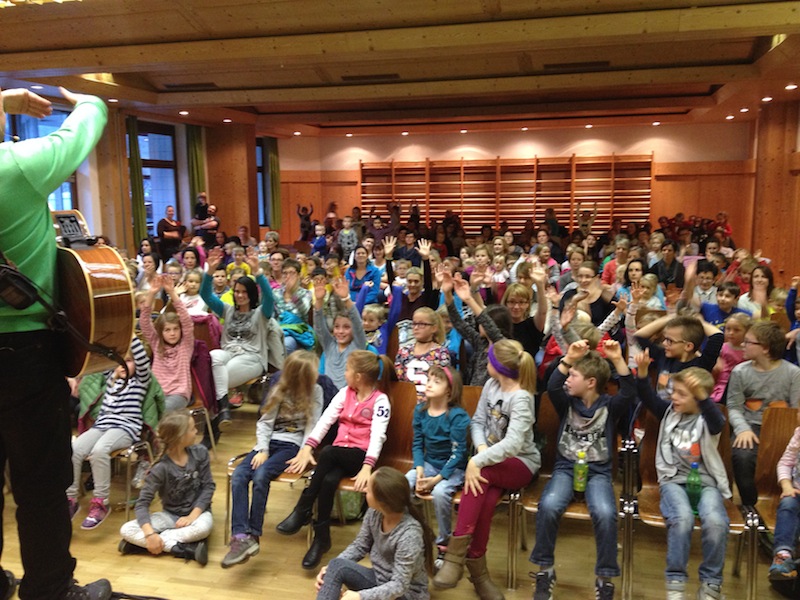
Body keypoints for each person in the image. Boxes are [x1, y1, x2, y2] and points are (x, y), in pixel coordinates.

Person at [0, 86, 112, 599]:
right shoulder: (17, 166)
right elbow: (84, 127)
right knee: (41, 482)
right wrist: (88, 100)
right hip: (24, 353)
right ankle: (49, 589)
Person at [434, 340, 540, 599]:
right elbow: (478, 422)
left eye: (490, 358)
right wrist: (481, 450)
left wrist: (478, 461)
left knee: (480, 475)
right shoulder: (492, 385)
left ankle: (454, 558)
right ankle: (478, 572)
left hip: (521, 463)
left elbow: (513, 445)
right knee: (486, 498)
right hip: (491, 461)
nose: (485, 360)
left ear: (499, 366)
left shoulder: (522, 398)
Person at [530, 339, 635, 600]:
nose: (568, 379)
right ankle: (545, 571)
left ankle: (604, 579)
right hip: (566, 467)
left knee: (606, 512)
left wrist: (618, 359)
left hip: (598, 471)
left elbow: (629, 392)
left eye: (573, 375)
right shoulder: (567, 403)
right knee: (549, 505)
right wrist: (569, 359)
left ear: (591, 382)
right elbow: (552, 385)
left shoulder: (609, 406)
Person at [276, 351, 393, 570]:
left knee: (328, 452)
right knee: (329, 480)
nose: (344, 373)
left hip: (360, 457)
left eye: (347, 370)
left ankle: (303, 507)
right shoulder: (344, 393)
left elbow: (378, 435)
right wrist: (308, 447)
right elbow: (325, 421)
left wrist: (367, 467)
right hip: (339, 455)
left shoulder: (380, 400)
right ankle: (322, 538)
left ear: (358, 376)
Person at [635, 361, 730, 600]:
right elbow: (647, 397)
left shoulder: (709, 419)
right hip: (673, 480)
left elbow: (717, 422)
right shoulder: (669, 412)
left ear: (699, 398)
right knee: (682, 518)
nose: (674, 397)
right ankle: (676, 583)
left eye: (681, 394)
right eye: (673, 392)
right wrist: (643, 373)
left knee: (716, 522)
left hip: (706, 482)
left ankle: (711, 584)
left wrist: (703, 397)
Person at [222, 351, 323, 568]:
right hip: (268, 443)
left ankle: (254, 535)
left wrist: (305, 451)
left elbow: (312, 425)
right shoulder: (279, 389)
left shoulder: (316, 391)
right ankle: (240, 536)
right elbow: (265, 422)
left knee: (261, 476)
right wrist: (262, 449)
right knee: (239, 475)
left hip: (291, 446)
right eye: (314, 371)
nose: (318, 374)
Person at [67, 336, 151, 531]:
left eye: (128, 361)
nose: (123, 365)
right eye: (120, 361)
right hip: (101, 426)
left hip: (125, 428)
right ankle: (71, 499)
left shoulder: (140, 380)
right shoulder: (110, 379)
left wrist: (128, 334)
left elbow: (141, 358)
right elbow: (103, 354)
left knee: (99, 451)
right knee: (75, 449)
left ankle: (101, 502)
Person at [315, 467, 434, 600]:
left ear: (382, 501)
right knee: (336, 565)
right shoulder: (375, 512)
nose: (365, 490)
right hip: (379, 580)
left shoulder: (409, 535)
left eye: (369, 489)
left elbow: (399, 586)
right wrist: (329, 570)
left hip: (405, 595)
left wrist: (361, 596)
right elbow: (359, 546)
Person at [118, 411, 215, 566]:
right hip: (170, 516)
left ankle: (147, 544)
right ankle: (179, 548)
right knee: (126, 529)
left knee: (202, 529)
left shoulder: (200, 453)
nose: (196, 431)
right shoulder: (160, 468)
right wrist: (149, 533)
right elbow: (142, 503)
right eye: (192, 429)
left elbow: (208, 486)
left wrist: (192, 516)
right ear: (180, 437)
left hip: (199, 514)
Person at [199, 246, 276, 429]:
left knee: (215, 378)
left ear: (251, 294)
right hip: (229, 353)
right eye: (237, 291)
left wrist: (257, 272)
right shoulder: (227, 309)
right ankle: (223, 408)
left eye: (244, 292)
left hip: (251, 358)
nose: (239, 295)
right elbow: (205, 295)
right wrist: (210, 271)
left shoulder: (261, 313)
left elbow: (270, 298)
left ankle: (218, 415)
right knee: (214, 356)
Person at [727, 321, 800, 507]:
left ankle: (782, 501)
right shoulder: (740, 372)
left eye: (748, 342)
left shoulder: (793, 373)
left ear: (765, 348)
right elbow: (733, 407)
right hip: (751, 425)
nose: (743, 345)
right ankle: (750, 505)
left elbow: (796, 409)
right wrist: (742, 429)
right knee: (742, 456)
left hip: (783, 427)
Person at [406, 365, 469, 564]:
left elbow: (458, 453)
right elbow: (417, 444)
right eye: (429, 379)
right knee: (404, 483)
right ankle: (416, 533)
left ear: (449, 390)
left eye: (436, 381)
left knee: (441, 493)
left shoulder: (457, 416)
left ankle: (444, 544)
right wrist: (420, 470)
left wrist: (435, 480)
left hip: (454, 468)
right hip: (429, 464)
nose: (429, 384)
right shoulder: (420, 411)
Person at [139, 274, 194, 412]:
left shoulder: (185, 345)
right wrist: (152, 293)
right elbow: (144, 322)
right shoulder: (156, 343)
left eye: (176, 329)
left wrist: (172, 292)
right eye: (167, 330)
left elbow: (186, 321)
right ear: (161, 332)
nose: (172, 333)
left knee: (162, 410)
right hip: (157, 393)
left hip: (178, 394)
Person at [312, 277, 368, 389]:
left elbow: (357, 322)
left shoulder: (358, 345)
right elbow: (319, 325)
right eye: (337, 327)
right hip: (327, 394)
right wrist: (319, 300)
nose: (340, 331)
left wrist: (346, 299)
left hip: (348, 395)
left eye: (346, 327)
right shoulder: (329, 345)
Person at [394, 307, 451, 402]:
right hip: (406, 401)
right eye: (414, 323)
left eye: (422, 324)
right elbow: (398, 380)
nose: (416, 328)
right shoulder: (404, 351)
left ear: (434, 328)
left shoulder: (441, 353)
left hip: (430, 403)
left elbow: (442, 382)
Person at [769, 407, 800, 581]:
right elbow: (785, 463)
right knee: (788, 505)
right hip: (796, 492)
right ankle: (783, 555)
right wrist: (786, 485)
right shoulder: (798, 435)